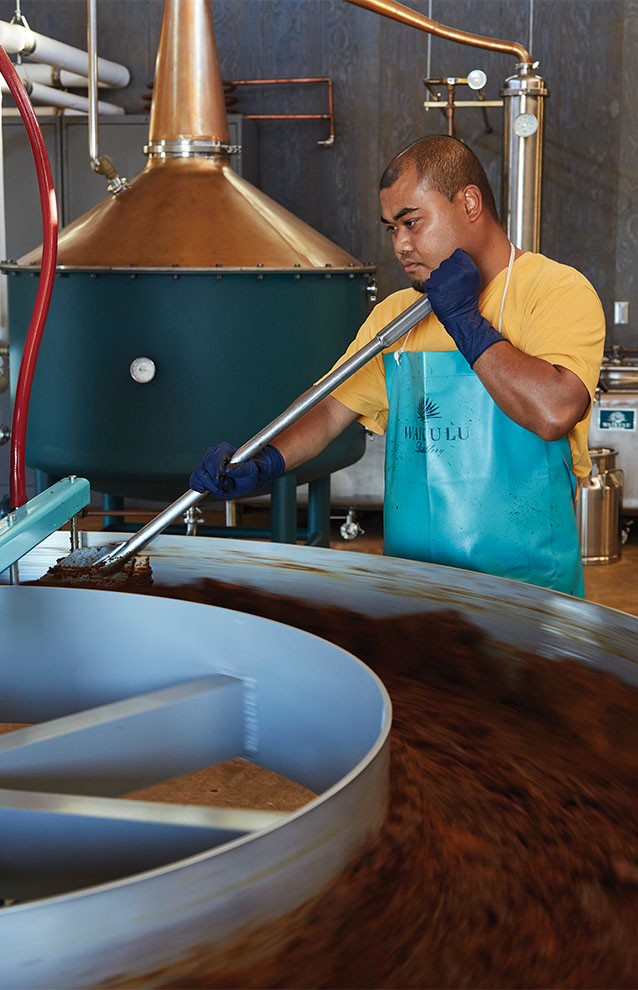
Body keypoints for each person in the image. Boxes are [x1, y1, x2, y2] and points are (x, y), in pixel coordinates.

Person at [190, 135, 605, 596]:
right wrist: (264, 458)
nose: (400, 245)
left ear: (469, 202)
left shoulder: (555, 292)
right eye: (392, 228)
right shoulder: (396, 316)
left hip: (528, 594)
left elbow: (553, 412)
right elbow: (330, 410)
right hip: (416, 591)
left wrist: (464, 320)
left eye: (412, 222)